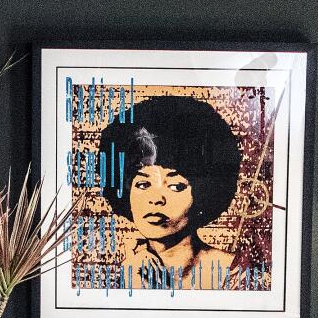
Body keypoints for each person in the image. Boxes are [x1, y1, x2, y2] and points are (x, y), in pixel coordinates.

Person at [99, 94, 244, 291]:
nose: (156, 199)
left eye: (175, 186)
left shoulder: (240, 277)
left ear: (203, 193)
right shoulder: (126, 273)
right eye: (143, 184)